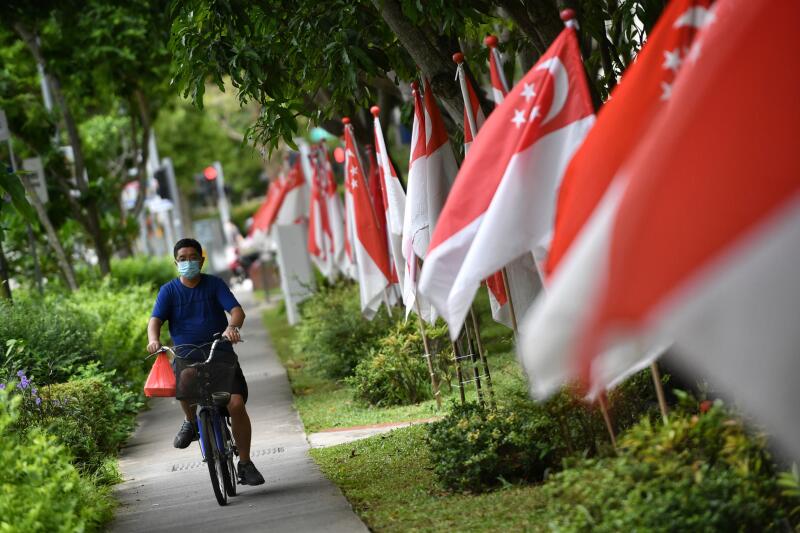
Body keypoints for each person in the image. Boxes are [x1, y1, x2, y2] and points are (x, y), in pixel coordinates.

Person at [147, 238, 265, 486]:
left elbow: (236, 310)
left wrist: (232, 328)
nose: (188, 262)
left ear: (201, 260)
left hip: (218, 352)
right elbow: (155, 320)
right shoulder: (168, 291)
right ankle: (191, 422)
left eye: (193, 257)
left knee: (235, 403)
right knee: (186, 382)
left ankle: (245, 463)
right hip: (187, 354)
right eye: (182, 259)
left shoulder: (214, 285)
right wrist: (154, 340)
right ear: (175, 262)